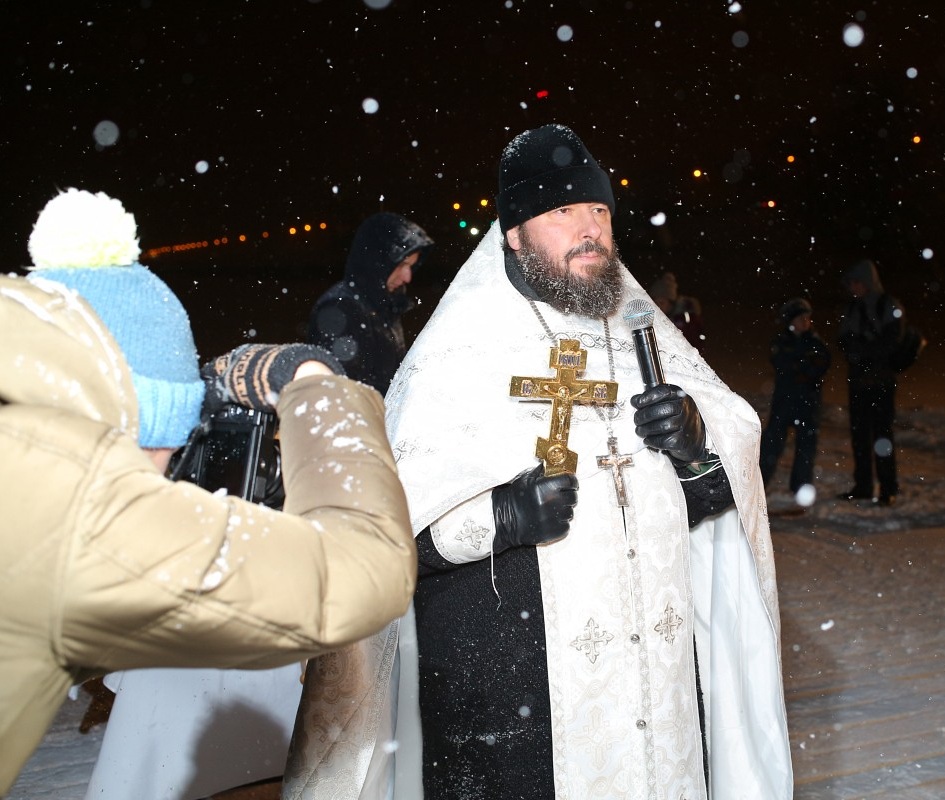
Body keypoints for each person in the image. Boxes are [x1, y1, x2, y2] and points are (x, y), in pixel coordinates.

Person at [285, 124, 792, 799]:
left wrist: (699, 450)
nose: (589, 229)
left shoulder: (645, 335)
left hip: (658, 689)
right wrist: (499, 515)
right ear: (515, 234)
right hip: (511, 710)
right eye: (562, 212)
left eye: (599, 211)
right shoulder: (456, 357)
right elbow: (383, 535)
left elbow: (717, 509)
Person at [0, 188, 417, 796]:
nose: (163, 474)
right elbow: (366, 572)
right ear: (134, 425)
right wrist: (310, 382)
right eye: (167, 446)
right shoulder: (80, 516)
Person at [307, 212, 434, 395]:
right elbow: (342, 397)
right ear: (377, 262)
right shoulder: (339, 310)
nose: (408, 277)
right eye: (401, 265)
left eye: (411, 266)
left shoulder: (384, 303)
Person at [836, 258, 905, 506]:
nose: (852, 288)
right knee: (860, 435)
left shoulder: (888, 306)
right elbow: (843, 340)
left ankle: (888, 488)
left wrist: (864, 351)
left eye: (856, 283)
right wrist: (859, 351)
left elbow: (891, 341)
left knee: (882, 436)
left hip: (881, 381)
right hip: (858, 381)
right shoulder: (853, 309)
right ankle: (863, 485)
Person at [758, 297, 832, 503]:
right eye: (801, 318)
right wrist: (802, 366)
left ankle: (800, 487)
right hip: (785, 401)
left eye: (808, 318)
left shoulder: (815, 342)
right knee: (772, 444)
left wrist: (805, 368)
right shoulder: (782, 341)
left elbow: (822, 363)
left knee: (806, 448)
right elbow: (783, 363)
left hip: (808, 402)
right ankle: (758, 484)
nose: (806, 322)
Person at [647, 270, 706, 353]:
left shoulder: (686, 318)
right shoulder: (652, 317)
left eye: (662, 302)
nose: (658, 306)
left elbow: (695, 343)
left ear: (670, 303)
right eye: (655, 302)